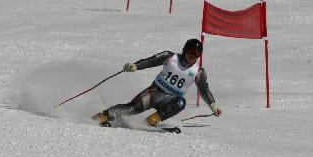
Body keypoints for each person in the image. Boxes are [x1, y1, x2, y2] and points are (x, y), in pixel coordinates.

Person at [92, 38, 223, 128]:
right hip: (154, 93)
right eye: (190, 52)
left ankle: (151, 121)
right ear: (184, 50)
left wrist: (213, 106)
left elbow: (204, 91)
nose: (192, 56)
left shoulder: (198, 72)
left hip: (170, 101)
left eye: (196, 54)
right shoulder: (171, 57)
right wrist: (135, 66)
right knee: (131, 109)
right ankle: (103, 116)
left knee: (181, 102)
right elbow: (151, 61)